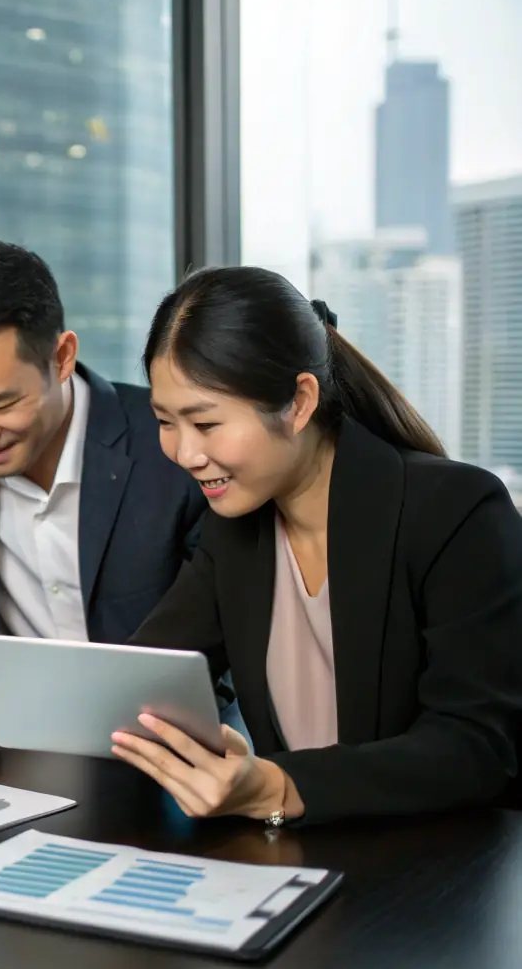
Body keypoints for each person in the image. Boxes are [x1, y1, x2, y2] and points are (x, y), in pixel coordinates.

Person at [117, 265, 522, 824]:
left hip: (438, 876)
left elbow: (478, 746)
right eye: (165, 422)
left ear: (300, 401)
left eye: (206, 424)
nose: (185, 454)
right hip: (304, 862)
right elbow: (141, 674)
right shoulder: (235, 527)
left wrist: (278, 787)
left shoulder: (456, 510)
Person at [0, 240, 209, 733]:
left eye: (1, 405)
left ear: (61, 357)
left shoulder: (172, 446)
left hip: (162, 759)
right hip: (8, 759)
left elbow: (228, 649)